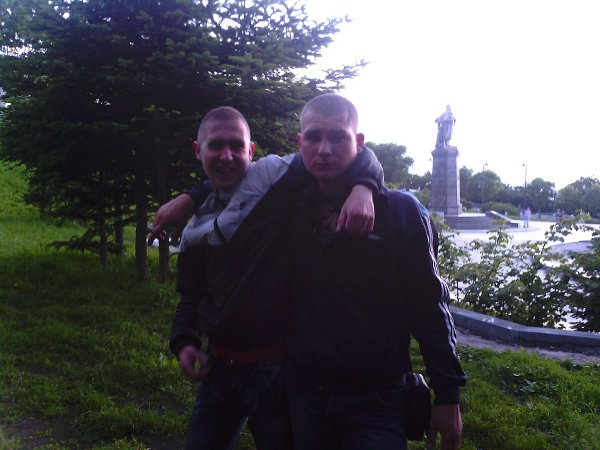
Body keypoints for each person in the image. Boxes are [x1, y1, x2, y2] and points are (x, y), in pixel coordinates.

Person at [166, 105, 383, 450]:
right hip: (218, 368)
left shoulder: (274, 180)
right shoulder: (195, 225)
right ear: (198, 150)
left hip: (275, 371)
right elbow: (191, 294)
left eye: (237, 146)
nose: (227, 155)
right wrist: (183, 341)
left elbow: (355, 153)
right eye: (216, 146)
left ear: (251, 150)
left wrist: (364, 188)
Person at [284, 94, 466, 450]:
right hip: (304, 393)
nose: (324, 149)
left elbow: (429, 306)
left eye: (337, 137)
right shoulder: (290, 205)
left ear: (359, 143)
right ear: (299, 143)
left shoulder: (400, 212)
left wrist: (447, 394)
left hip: (377, 399)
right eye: (314, 137)